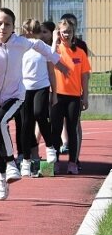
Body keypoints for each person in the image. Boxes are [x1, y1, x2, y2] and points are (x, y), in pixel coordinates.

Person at [0, 8, 67, 200]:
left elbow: (39, 45)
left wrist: (58, 61)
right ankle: (2, 178)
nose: (3, 27)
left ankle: (12, 163)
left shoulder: (20, 43)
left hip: (16, 96)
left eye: (7, 24)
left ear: (13, 27)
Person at [47, 18, 91, 175]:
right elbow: (49, 59)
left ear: (74, 33)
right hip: (57, 96)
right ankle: (55, 161)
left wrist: (85, 96)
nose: (66, 34)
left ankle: (73, 162)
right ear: (58, 33)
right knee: (55, 129)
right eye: (63, 31)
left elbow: (85, 76)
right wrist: (54, 41)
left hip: (74, 97)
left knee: (72, 130)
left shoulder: (80, 52)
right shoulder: (55, 50)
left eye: (69, 32)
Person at [15, 19, 56, 176]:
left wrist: (55, 94)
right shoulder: (20, 48)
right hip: (25, 89)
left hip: (42, 87)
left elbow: (52, 72)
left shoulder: (44, 48)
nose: (30, 35)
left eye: (34, 32)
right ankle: (26, 160)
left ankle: (50, 146)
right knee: (26, 124)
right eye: (27, 32)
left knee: (40, 113)